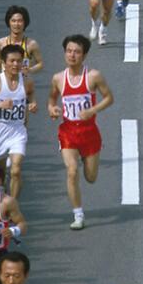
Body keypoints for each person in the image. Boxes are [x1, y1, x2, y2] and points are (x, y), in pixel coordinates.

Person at [48, 35, 114, 229]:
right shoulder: (58, 78)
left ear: (84, 55)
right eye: (69, 51)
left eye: (76, 51)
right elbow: (51, 100)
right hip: (68, 131)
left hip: (90, 132)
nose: (72, 55)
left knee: (91, 178)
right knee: (71, 171)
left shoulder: (93, 76)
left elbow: (109, 98)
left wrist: (92, 110)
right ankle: (78, 215)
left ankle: (86, 158)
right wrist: (52, 109)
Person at [0, 45, 38, 199]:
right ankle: (2, 188)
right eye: (12, 61)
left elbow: (31, 95)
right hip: (2, 129)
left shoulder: (26, 82)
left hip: (18, 130)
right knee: (1, 172)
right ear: (4, 64)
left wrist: (32, 104)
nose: (15, 65)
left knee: (16, 170)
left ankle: (13, 206)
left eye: (19, 61)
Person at [0, 5, 44, 82]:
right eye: (13, 21)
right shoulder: (1, 42)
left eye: (20, 21)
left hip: (23, 85)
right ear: (9, 22)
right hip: (5, 85)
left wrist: (30, 70)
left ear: (25, 23)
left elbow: (40, 64)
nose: (16, 24)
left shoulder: (31, 44)